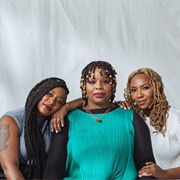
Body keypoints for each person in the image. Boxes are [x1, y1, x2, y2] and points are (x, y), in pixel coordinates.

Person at [43, 61, 155, 179]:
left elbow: (146, 166)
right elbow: (54, 169)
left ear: (113, 85)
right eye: (92, 82)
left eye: (105, 81)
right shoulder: (67, 120)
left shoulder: (131, 117)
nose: (99, 87)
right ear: (84, 86)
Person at [0, 77, 69, 179]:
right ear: (39, 92)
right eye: (49, 94)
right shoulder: (11, 120)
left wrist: (66, 108)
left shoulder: (53, 123)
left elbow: (85, 101)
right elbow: (9, 168)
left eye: (59, 101)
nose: (52, 101)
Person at [121, 68, 180, 179]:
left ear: (157, 89)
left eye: (145, 88)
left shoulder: (176, 119)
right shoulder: (134, 120)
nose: (139, 95)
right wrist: (117, 108)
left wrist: (165, 173)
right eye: (133, 90)